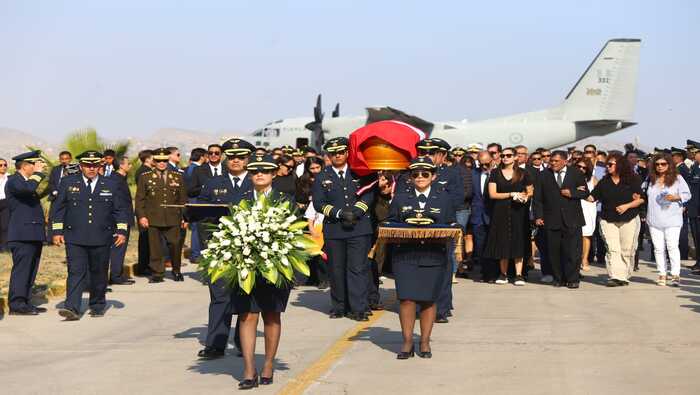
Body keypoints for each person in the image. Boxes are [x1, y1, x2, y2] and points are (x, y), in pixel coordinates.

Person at [387, 156, 455, 360]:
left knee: (428, 300)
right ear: (410, 177)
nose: (420, 177)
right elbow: (390, 223)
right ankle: (407, 341)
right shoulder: (400, 197)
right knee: (406, 299)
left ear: (433, 176)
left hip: (433, 255)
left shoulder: (444, 198)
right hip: (406, 255)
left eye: (425, 173)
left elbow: (452, 225)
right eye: (415, 174)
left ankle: (424, 341)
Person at [236, 154, 293, 389]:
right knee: (247, 316)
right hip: (244, 266)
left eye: (265, 171)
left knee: (271, 315)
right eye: (255, 171)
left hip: (275, 268)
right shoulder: (239, 199)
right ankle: (249, 369)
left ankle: (268, 364)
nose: (259, 174)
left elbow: (294, 232)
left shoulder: (286, 200)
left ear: (273, 174)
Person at [52, 151, 129, 320]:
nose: (91, 169)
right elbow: (58, 209)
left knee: (99, 272)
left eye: (95, 165)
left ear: (100, 166)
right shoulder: (68, 182)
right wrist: (57, 231)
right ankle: (71, 307)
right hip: (75, 236)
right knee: (75, 272)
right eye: (88, 165)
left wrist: (122, 231)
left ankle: (97, 304)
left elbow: (120, 210)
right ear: (81, 166)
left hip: (102, 236)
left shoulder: (110, 184)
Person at [196, 138, 254, 361]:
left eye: (241, 157)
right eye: (232, 157)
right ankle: (215, 344)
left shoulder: (255, 182)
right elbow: (200, 212)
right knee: (219, 297)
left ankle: (243, 342)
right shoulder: (213, 183)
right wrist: (207, 245)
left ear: (247, 159)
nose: (236, 161)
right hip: (220, 249)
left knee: (246, 296)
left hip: (250, 251)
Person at [312, 137, 375, 321]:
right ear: (328, 155)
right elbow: (318, 203)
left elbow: (369, 195)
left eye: (341, 152)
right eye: (333, 153)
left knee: (357, 268)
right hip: (335, 229)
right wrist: (340, 213)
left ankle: (359, 308)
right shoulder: (322, 176)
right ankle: (339, 306)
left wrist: (356, 212)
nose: (337, 156)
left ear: (347, 153)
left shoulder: (360, 172)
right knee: (336, 269)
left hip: (359, 227)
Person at [533, 151, 588, 288]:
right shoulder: (543, 175)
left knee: (572, 252)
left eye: (556, 161)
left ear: (565, 161)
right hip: (551, 219)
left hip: (572, 218)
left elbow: (585, 192)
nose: (553, 163)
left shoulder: (576, 173)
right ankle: (558, 278)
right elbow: (538, 198)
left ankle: (572, 279)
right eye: (552, 161)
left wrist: (572, 193)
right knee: (554, 251)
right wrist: (538, 216)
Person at [589, 152, 645, 287]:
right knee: (613, 249)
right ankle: (616, 276)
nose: (607, 167)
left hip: (629, 218)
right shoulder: (604, 182)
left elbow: (642, 199)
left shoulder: (634, 179)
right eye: (607, 164)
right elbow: (591, 198)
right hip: (608, 219)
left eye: (610, 164)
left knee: (627, 249)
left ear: (619, 165)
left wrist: (627, 206)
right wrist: (576, 190)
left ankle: (624, 275)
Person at [135, 148, 188, 283]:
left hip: (173, 218)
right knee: (155, 248)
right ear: (154, 162)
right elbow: (140, 199)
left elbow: (182, 200)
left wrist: (185, 218)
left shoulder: (177, 177)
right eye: (159, 161)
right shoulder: (145, 177)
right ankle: (157, 273)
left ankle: (176, 271)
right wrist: (142, 216)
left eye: (164, 160)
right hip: (153, 218)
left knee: (175, 245)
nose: (162, 163)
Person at [5, 151, 47, 315]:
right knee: (22, 270)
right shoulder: (14, 181)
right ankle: (16, 304)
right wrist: (38, 174)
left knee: (31, 270)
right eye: (34, 164)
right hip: (22, 235)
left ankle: (25, 301)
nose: (37, 167)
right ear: (25, 165)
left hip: (33, 234)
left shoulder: (27, 182)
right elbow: (27, 189)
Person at [483, 147, 533, 285]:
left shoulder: (523, 173)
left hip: (519, 212)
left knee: (518, 240)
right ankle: (503, 274)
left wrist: (524, 197)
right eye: (503, 155)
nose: (505, 157)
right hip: (500, 211)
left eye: (509, 155)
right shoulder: (495, 173)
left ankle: (518, 274)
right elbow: (493, 194)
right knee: (502, 241)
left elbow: (530, 191)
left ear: (515, 157)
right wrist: (511, 194)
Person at [646, 154, 691, 287]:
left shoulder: (678, 178)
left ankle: (675, 274)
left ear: (669, 165)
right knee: (658, 248)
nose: (660, 166)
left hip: (672, 219)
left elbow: (687, 194)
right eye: (657, 164)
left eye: (663, 164)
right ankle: (662, 273)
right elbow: (643, 192)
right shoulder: (650, 179)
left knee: (672, 246)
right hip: (654, 219)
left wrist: (676, 197)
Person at [107, 156, 136, 285]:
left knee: (120, 249)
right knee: (118, 248)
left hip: (124, 217)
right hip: (119, 220)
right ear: (121, 165)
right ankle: (116, 276)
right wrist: (121, 221)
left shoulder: (120, 179)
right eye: (128, 163)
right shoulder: (115, 180)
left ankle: (117, 274)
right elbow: (118, 204)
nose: (130, 165)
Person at [470, 151, 495, 282]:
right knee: (480, 245)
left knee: (493, 244)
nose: (485, 167)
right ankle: (484, 272)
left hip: (494, 215)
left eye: (487, 164)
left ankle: (494, 273)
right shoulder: (474, 173)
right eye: (481, 164)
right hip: (478, 215)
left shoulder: (499, 173)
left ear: (493, 160)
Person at [576, 159, 598, 272]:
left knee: (586, 235)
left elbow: (598, 194)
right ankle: (575, 260)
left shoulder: (592, 180)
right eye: (579, 166)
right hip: (574, 208)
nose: (581, 169)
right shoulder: (571, 179)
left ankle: (584, 259)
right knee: (575, 236)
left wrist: (585, 194)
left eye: (584, 168)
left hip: (588, 209)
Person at [135, 149, 153, 275]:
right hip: (145, 210)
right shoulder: (143, 172)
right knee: (145, 240)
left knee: (149, 240)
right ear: (147, 159)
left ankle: (147, 265)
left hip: (149, 209)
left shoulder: (147, 171)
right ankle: (143, 266)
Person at [0, 158, 9, 252]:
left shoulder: (10, 177)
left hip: (6, 202)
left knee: (5, 226)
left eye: (5, 165)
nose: (3, 167)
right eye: (0, 165)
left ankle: (4, 247)